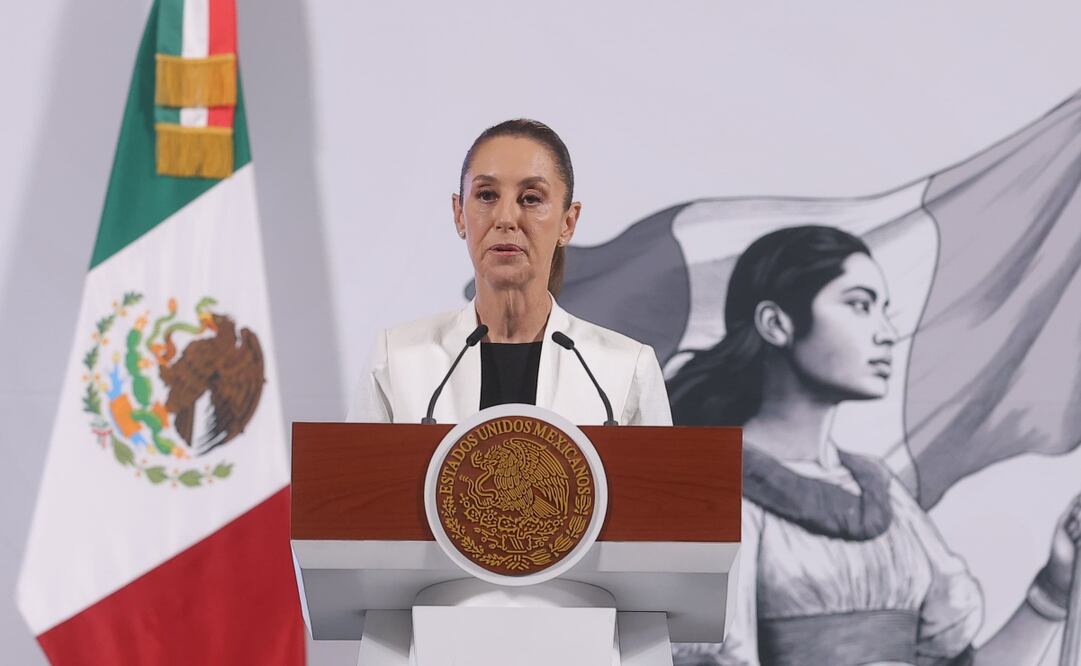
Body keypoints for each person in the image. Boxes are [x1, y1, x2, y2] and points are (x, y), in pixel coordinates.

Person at [666, 225, 1081, 666]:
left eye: (884, 311)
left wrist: (1055, 587)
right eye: (859, 305)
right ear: (776, 323)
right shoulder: (694, 488)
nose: (886, 332)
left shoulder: (882, 492)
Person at [349, 119, 671, 426]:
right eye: (486, 195)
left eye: (530, 199)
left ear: (568, 222)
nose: (505, 218)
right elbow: (357, 467)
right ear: (459, 215)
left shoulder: (625, 370)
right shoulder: (397, 360)